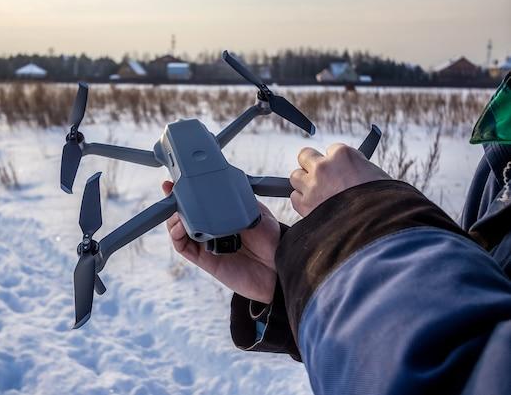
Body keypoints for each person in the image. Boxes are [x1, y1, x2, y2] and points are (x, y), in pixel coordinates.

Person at [161, 74, 511, 394]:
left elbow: (453, 372)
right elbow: (459, 325)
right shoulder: (500, 165)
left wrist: (365, 217)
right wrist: (293, 280)